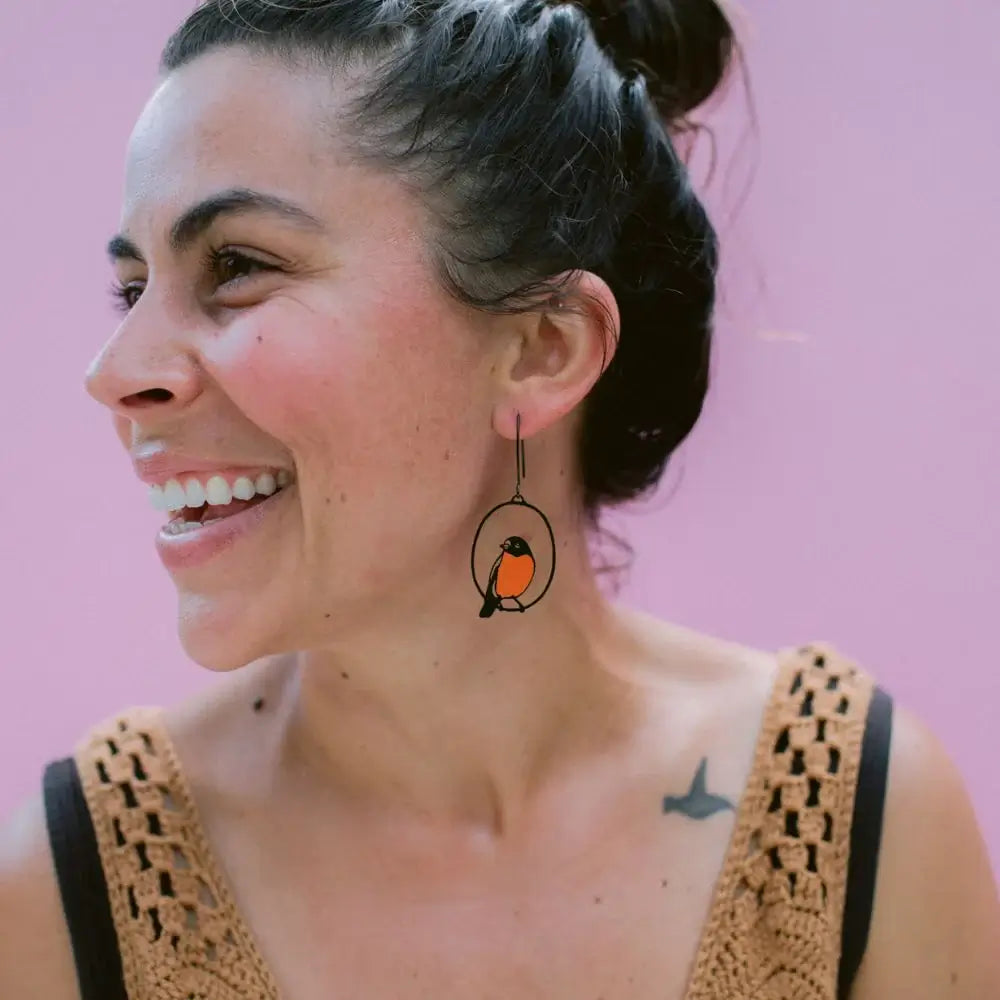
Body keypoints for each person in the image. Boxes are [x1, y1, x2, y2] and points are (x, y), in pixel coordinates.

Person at [2, 0, 998, 997]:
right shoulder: (71, 889)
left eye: (237, 266)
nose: (115, 370)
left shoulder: (849, 819)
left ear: (540, 348)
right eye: (131, 288)